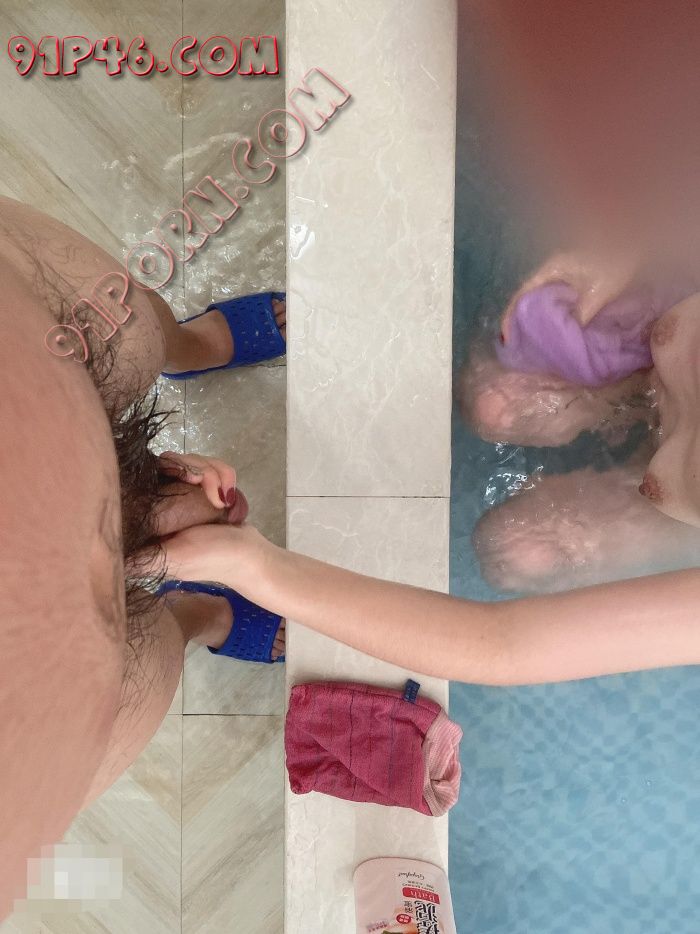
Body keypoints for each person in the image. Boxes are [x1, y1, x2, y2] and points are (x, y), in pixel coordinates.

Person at [0, 195, 286, 920]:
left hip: (33, 344)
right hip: (52, 727)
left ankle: (192, 346)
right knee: (148, 662)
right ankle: (197, 614)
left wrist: (126, 480)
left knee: (131, 336)